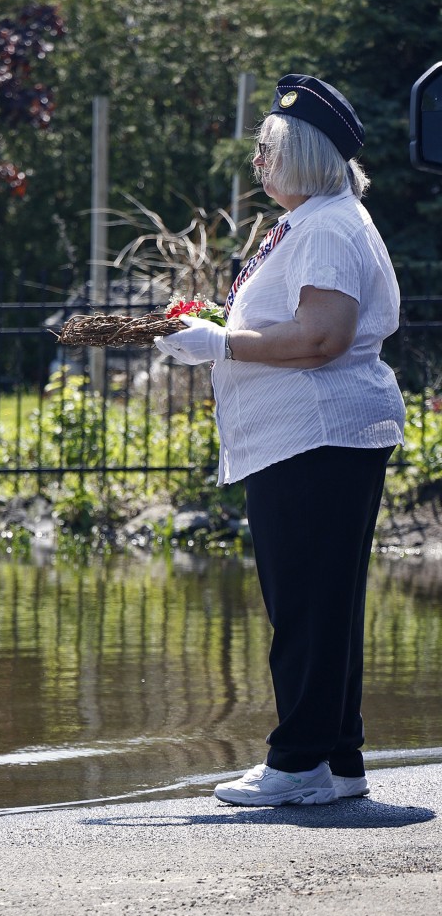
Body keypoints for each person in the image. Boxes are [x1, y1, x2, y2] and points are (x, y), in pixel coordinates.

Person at [155, 74, 406, 807]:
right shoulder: (315, 220)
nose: (257, 165)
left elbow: (321, 336)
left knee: (305, 603)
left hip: (316, 438)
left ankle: (297, 763)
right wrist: (215, 331)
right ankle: (337, 762)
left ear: (302, 154)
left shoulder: (327, 226)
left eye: (267, 151)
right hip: (312, 438)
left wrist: (220, 344)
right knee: (321, 602)